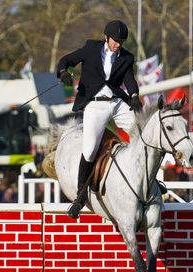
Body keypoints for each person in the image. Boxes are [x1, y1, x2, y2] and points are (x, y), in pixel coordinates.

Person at [57, 19, 142, 219]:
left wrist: (135, 96)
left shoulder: (126, 57)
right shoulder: (90, 48)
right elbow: (66, 60)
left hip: (116, 102)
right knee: (89, 149)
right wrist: (63, 73)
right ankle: (79, 197)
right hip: (95, 104)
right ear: (106, 37)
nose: (118, 45)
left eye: (121, 41)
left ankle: (152, 182)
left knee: (141, 133)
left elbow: (129, 80)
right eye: (115, 41)